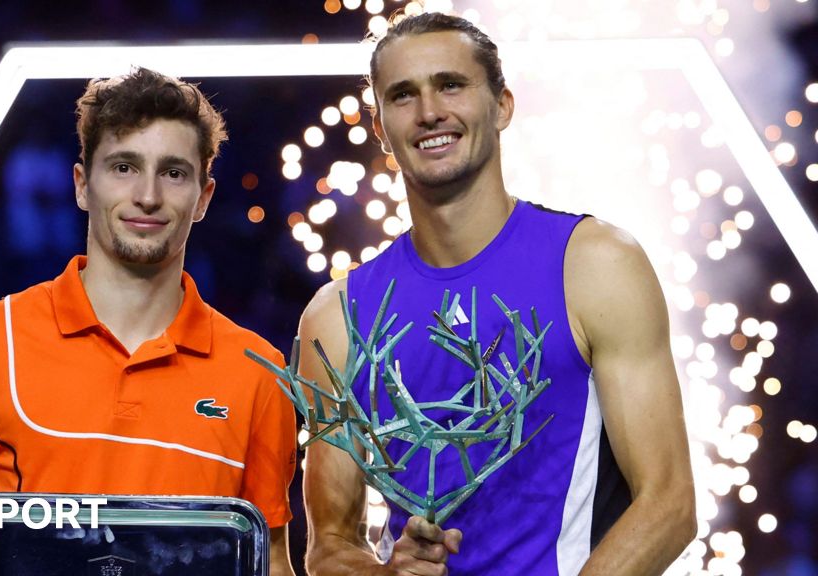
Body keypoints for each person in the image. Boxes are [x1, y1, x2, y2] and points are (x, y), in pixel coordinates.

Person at [298, 12, 696, 576]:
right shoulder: (337, 316)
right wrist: (384, 575)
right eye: (404, 95)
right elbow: (330, 545)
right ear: (381, 127)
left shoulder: (595, 264)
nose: (430, 111)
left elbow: (669, 503)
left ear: (502, 105)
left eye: (451, 85)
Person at [0, 68, 297, 575]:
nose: (147, 195)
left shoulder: (259, 374)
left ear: (204, 196)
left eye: (173, 172)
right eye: (123, 167)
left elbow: (271, 562)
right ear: (82, 185)